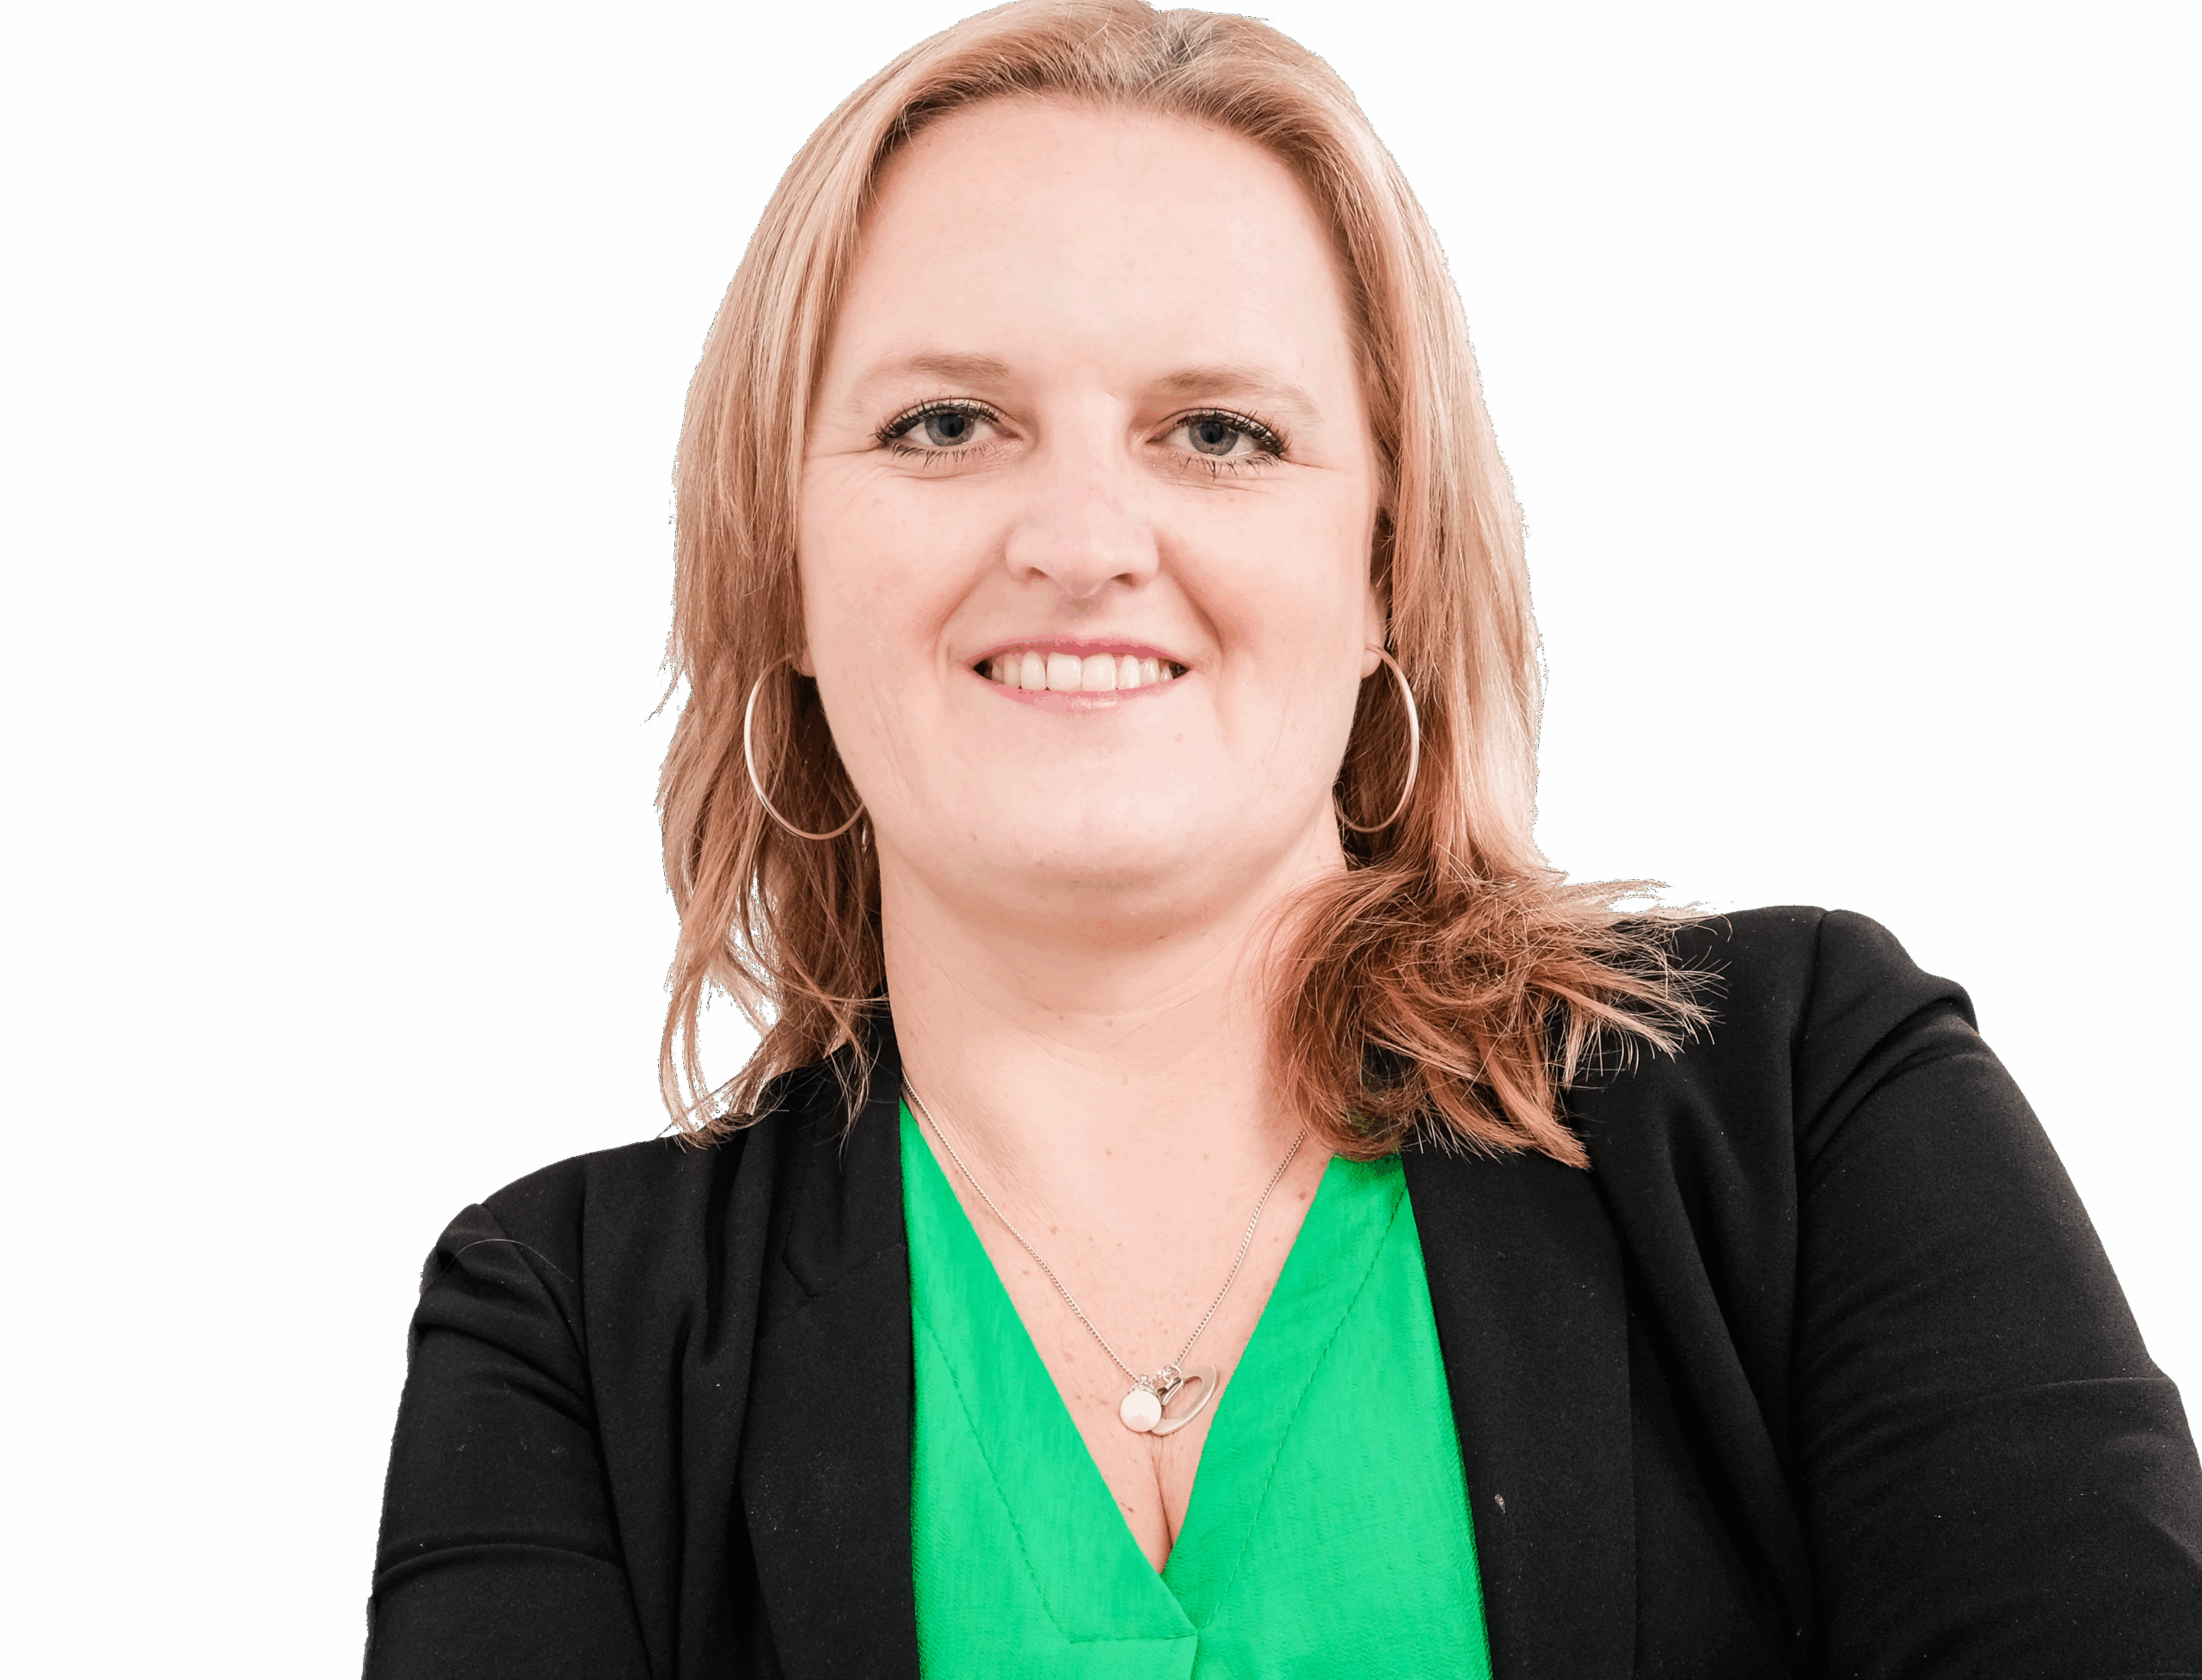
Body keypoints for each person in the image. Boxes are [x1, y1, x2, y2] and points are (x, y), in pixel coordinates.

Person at [362, 3, 2202, 1675]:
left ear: (1388, 561)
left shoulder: (1801, 1105)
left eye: (1221, 434)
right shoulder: (564, 1326)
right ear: (779, 563)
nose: (1081, 542)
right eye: (946, 423)